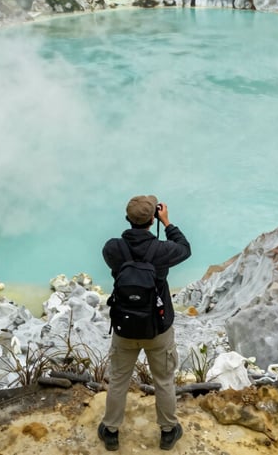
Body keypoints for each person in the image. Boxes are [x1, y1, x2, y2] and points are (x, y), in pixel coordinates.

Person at [98, 194, 192, 452]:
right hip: (158, 328)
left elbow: (115, 264)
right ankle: (168, 431)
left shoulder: (113, 248)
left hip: (124, 326)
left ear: (128, 219)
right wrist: (168, 223)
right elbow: (185, 249)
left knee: (118, 380)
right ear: (153, 218)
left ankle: (111, 432)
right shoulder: (163, 251)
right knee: (163, 380)